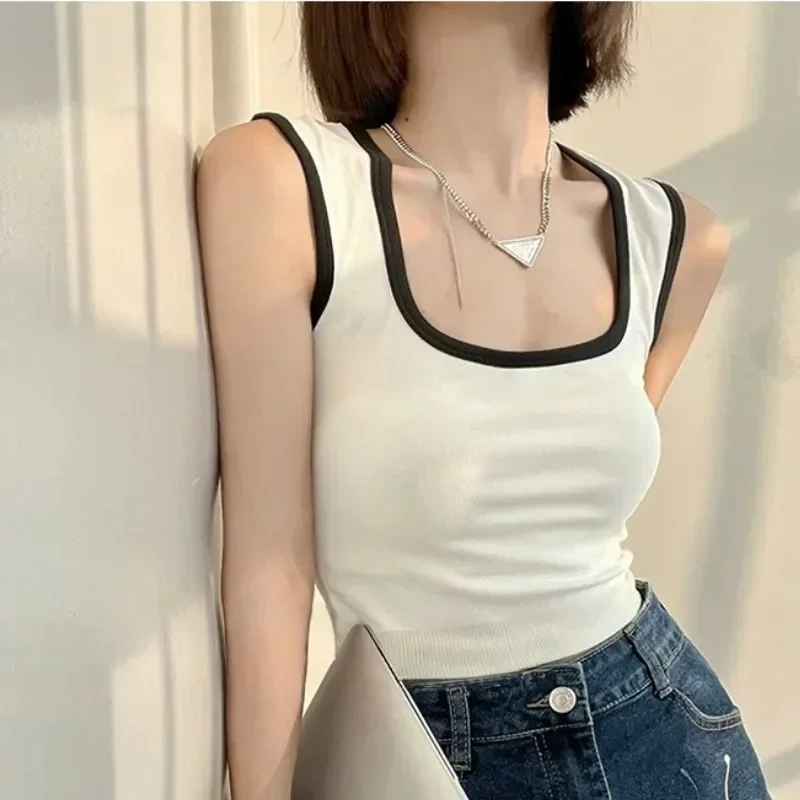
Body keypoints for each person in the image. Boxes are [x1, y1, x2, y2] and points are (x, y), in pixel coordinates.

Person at [196, 3, 771, 799]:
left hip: (664, 734)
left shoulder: (675, 237)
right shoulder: (284, 183)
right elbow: (268, 566)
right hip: (424, 756)